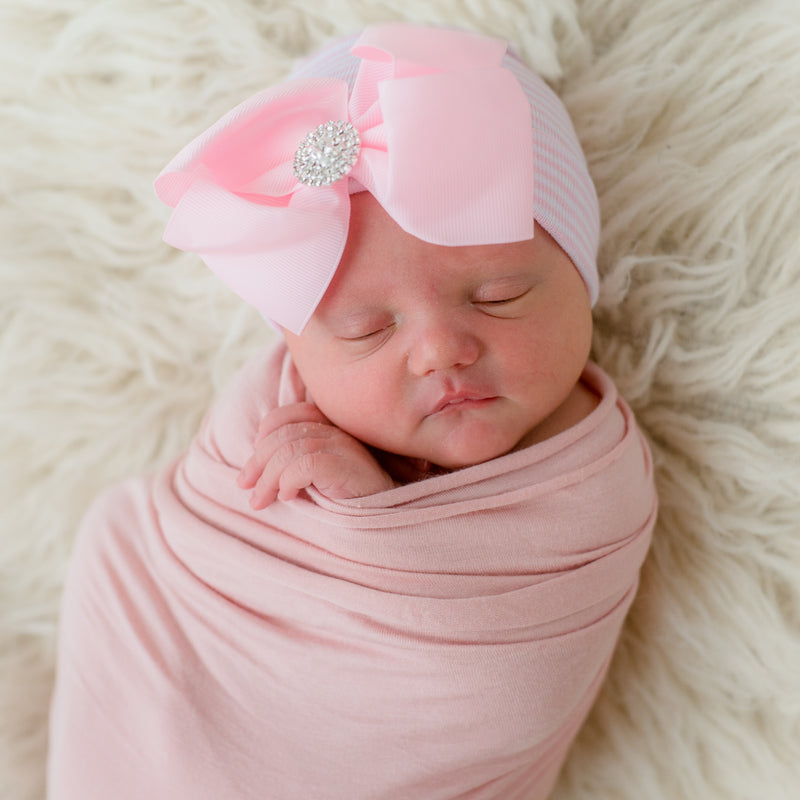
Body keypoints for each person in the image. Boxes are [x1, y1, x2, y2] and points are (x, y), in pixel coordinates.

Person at [48, 23, 657, 800]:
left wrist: (369, 513)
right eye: (368, 330)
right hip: (176, 681)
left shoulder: (592, 477)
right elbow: (168, 551)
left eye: (499, 296)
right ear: (300, 354)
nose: (440, 351)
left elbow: (505, 691)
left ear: (581, 278)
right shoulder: (275, 407)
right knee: (111, 533)